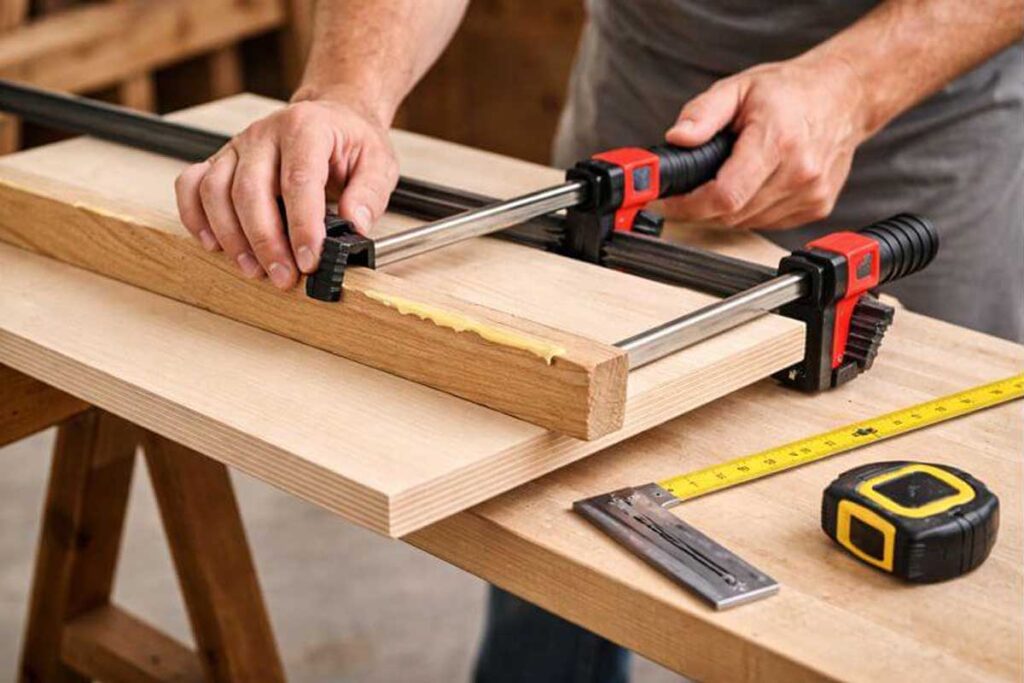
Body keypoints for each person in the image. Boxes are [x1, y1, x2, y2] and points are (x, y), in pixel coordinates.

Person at [174, 1, 1024, 681]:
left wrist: (854, 85)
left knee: (880, 603)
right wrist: (346, 93)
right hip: (645, 96)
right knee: (548, 528)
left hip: (919, 114)